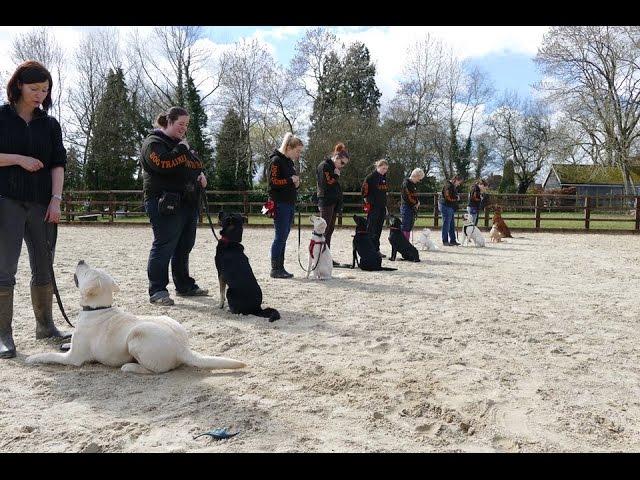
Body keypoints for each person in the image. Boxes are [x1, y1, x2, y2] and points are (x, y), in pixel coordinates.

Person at [0, 61, 72, 359]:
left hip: (42, 204)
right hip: (6, 201)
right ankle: (3, 334)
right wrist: (18, 158)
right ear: (19, 85)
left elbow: (58, 164)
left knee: (45, 265)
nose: (40, 95)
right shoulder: (1, 117)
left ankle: (46, 325)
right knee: (4, 268)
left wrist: (56, 199)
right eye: (34, 89)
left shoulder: (50, 124)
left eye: (45, 89)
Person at [140, 106, 208, 306]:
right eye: (180, 124)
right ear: (168, 121)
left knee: (184, 245)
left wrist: (202, 175)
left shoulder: (182, 144)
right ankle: (158, 290)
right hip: (164, 202)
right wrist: (182, 149)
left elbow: (196, 165)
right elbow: (162, 164)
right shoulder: (153, 143)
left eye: (186, 125)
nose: (184, 129)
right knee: (164, 245)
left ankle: (184, 285)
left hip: (188, 202)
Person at [268, 133, 303, 279]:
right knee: (280, 236)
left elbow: (291, 182)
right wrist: (290, 180)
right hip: (279, 203)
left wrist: (296, 183)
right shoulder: (276, 161)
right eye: (297, 151)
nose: (298, 154)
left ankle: (281, 267)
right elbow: (273, 182)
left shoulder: (289, 163)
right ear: (289, 148)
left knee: (284, 236)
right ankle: (275, 268)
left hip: (289, 203)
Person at [316, 142, 349, 265]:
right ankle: (320, 257)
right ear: (336, 157)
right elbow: (327, 182)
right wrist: (336, 175)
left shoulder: (333, 168)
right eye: (342, 163)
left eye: (344, 164)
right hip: (326, 201)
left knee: (330, 230)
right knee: (324, 230)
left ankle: (326, 256)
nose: (342, 166)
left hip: (334, 201)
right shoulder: (324, 166)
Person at [361, 159, 389, 256]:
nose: (384, 170)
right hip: (373, 206)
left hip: (382, 206)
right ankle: (368, 249)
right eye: (383, 168)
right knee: (371, 228)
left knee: (379, 228)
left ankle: (376, 249)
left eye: (386, 169)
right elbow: (364, 191)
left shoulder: (384, 178)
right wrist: (367, 200)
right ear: (378, 167)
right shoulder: (370, 177)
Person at [400, 168, 425, 241]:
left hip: (411, 207)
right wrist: (416, 203)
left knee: (409, 225)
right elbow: (408, 197)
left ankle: (406, 242)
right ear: (415, 176)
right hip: (406, 207)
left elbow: (414, 196)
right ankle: (403, 242)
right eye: (419, 179)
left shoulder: (413, 184)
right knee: (405, 225)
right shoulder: (406, 183)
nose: (419, 181)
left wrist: (417, 202)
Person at [439, 175, 463, 246]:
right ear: (455, 179)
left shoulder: (452, 186)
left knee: (451, 224)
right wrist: (456, 198)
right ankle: (445, 241)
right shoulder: (448, 186)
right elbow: (448, 197)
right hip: (446, 206)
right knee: (446, 224)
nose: (459, 184)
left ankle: (453, 240)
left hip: (449, 206)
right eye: (459, 182)